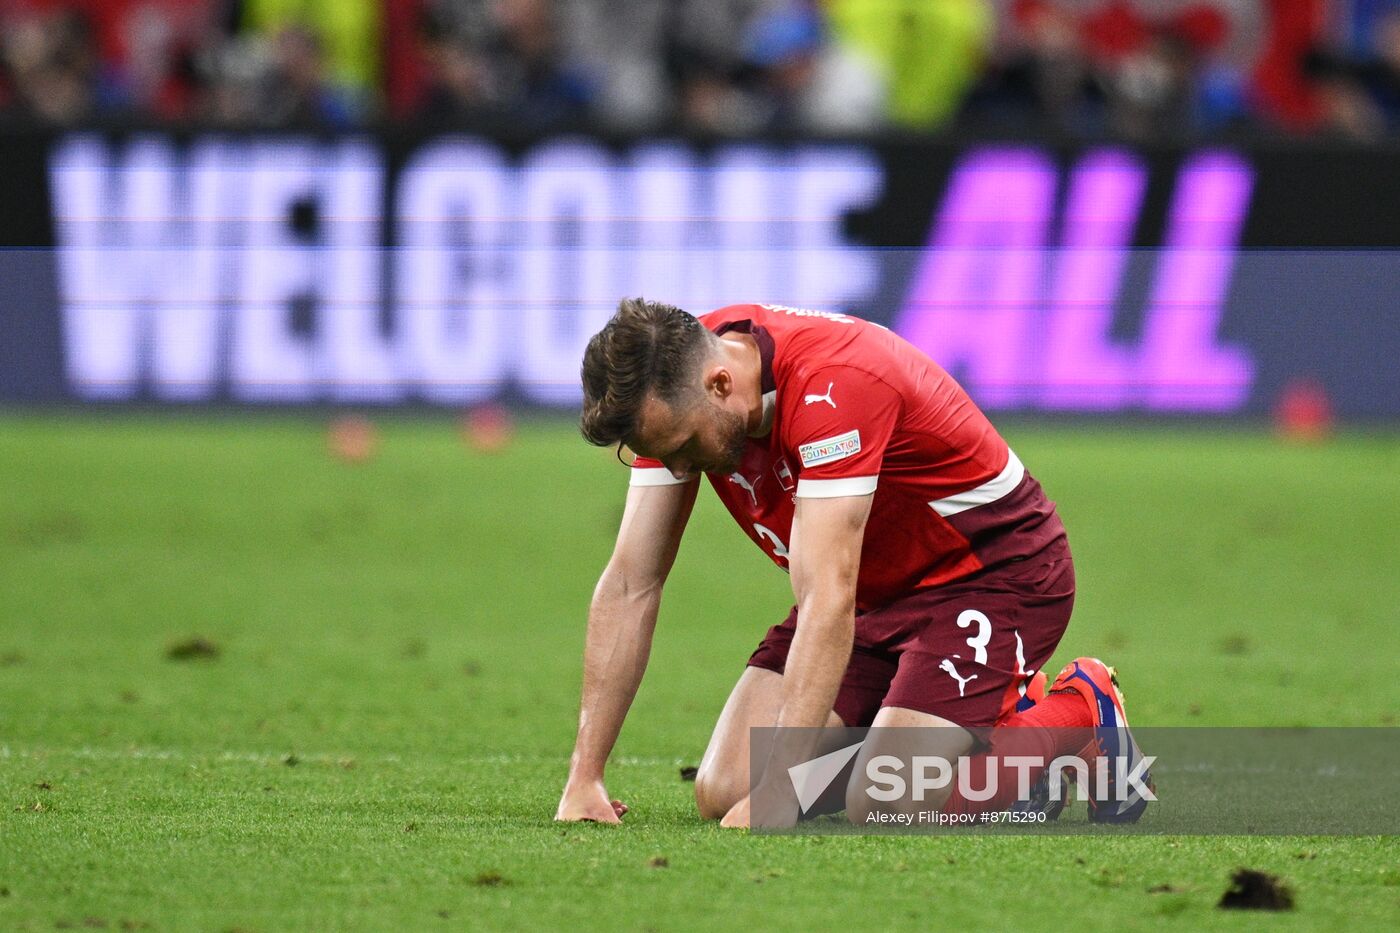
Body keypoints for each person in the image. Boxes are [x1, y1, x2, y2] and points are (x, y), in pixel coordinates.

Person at [555, 298, 1150, 828]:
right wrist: (586, 776)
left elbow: (826, 596)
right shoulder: (676, 381)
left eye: (685, 448)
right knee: (724, 788)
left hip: (992, 576)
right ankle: (970, 735)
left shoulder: (833, 386)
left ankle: (1080, 708)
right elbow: (632, 582)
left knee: (886, 800)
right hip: (872, 591)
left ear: (719, 384)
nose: (680, 469)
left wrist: (785, 791)